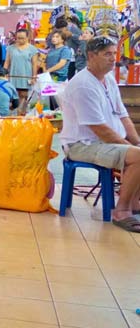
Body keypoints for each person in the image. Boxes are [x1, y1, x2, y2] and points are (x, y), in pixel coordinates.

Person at [60, 36, 140, 232]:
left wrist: (137, 142)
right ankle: (121, 211)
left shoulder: (109, 80)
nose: (113, 59)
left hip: (103, 142)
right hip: (82, 145)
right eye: (107, 54)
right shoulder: (83, 85)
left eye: (114, 54)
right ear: (91, 56)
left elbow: (123, 115)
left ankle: (134, 204)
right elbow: (100, 130)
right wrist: (129, 147)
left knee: (138, 151)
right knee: (138, 157)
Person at [4, 28, 39, 114]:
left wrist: (34, 76)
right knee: (14, 94)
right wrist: (4, 74)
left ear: (27, 38)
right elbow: (7, 62)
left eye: (22, 38)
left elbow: (34, 64)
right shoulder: (10, 48)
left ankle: (22, 112)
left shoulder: (32, 49)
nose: (20, 40)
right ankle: (15, 111)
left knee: (24, 94)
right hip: (13, 74)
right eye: (18, 38)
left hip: (26, 75)